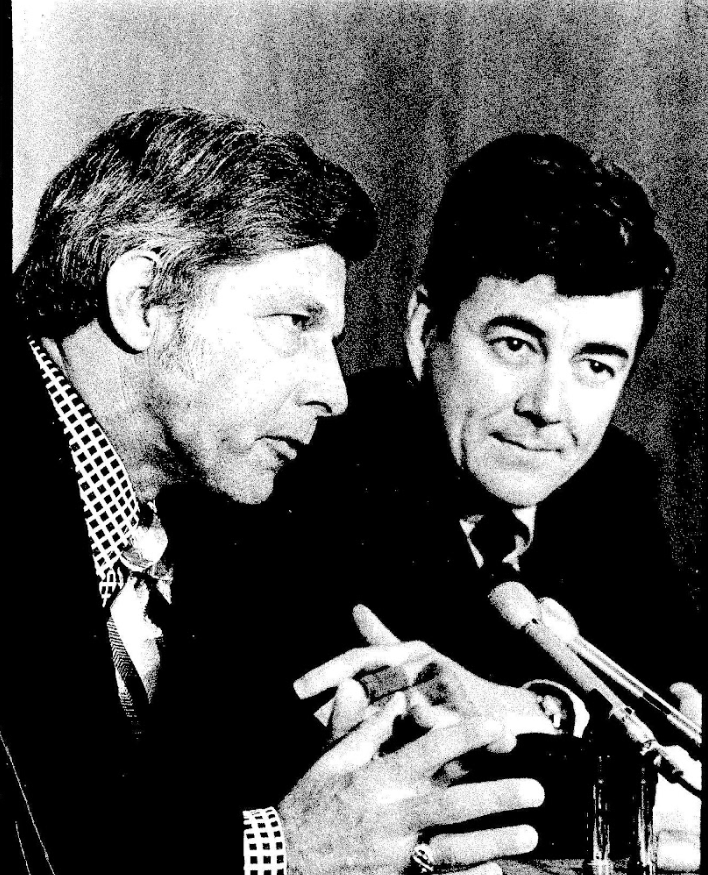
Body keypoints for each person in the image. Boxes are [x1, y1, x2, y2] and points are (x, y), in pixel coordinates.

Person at [2, 107, 548, 875]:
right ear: (142, 300)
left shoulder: (187, 522)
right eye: (295, 321)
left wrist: (327, 772)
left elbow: (117, 819)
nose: (335, 391)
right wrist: (282, 848)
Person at [271, 132, 702, 869]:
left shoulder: (613, 482)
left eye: (596, 365)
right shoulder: (313, 468)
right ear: (424, 332)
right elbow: (420, 785)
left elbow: (680, 712)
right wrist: (581, 734)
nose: (548, 408)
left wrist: (543, 709)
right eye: (514, 345)